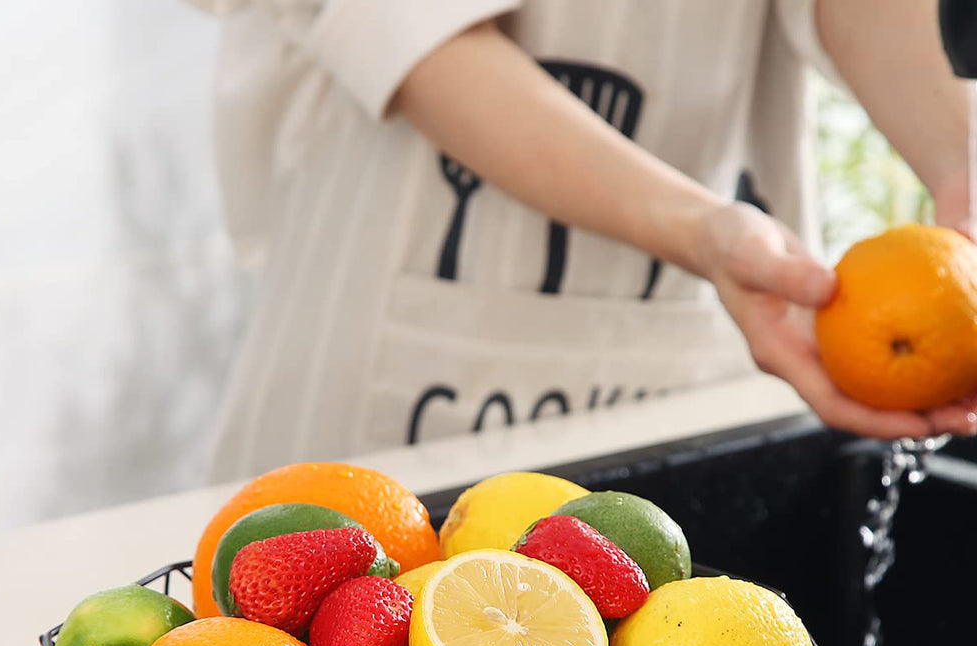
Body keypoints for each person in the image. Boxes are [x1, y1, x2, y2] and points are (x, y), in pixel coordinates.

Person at [185, 0, 973, 484]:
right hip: (397, 359)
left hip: (693, 352)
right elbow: (411, 39)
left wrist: (964, 172)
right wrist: (698, 231)